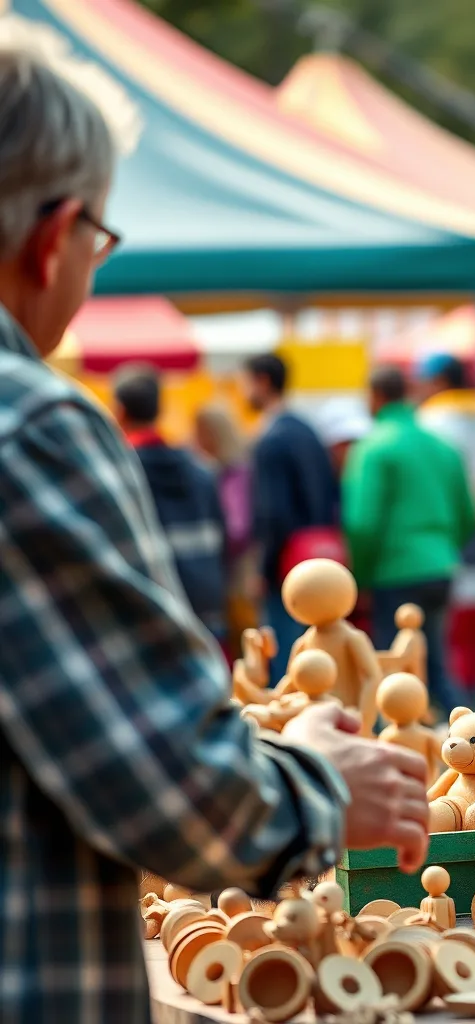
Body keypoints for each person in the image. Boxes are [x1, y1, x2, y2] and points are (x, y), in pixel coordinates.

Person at [0, 45, 428, 1021]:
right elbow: (180, 795)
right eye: (98, 243)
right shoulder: (31, 425)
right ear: (54, 236)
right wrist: (319, 782)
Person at [344, 365, 475, 715]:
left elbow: (362, 523)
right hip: (440, 565)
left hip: (394, 570)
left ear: (374, 396)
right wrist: (445, 549)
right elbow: (467, 512)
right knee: (435, 664)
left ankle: (397, 742)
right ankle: (473, 734)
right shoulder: (441, 446)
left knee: (391, 668)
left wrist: (361, 576)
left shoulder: (373, 447)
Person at [242, 352, 341, 681]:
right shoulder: (307, 431)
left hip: (287, 565)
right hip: (322, 555)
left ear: (263, 381)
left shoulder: (271, 438)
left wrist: (263, 568)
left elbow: (273, 511)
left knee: (286, 662)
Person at [113, 365, 228, 644]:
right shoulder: (200, 469)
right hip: (207, 601)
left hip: (152, 609)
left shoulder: (119, 471)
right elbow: (223, 535)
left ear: (119, 411)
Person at [195, 400, 259, 657]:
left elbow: (237, 529)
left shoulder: (232, 473)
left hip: (239, 572)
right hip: (236, 570)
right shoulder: (234, 469)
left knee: (243, 642)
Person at [415, 352, 475, 497]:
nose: (420, 389)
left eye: (424, 382)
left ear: (440, 381)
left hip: (452, 500)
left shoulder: (429, 417)